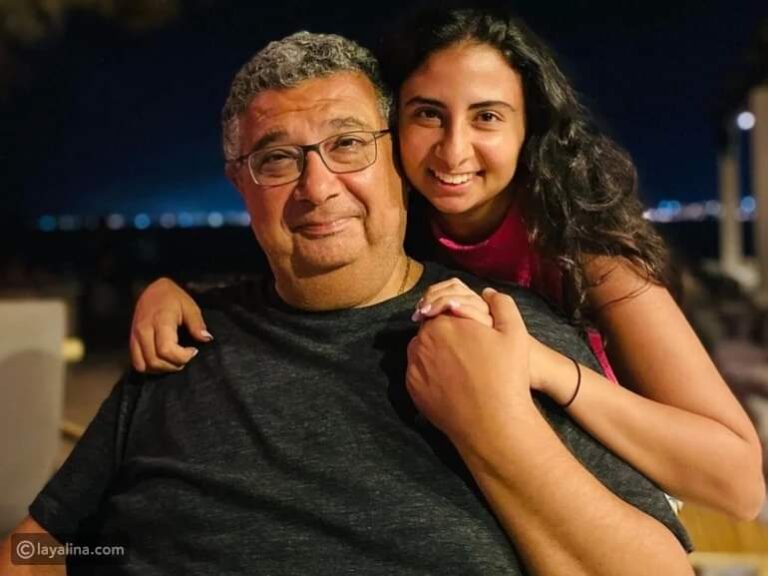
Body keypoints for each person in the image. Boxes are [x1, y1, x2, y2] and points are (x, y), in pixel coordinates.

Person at [1, 31, 693, 575]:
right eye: (278, 158)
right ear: (240, 183)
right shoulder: (179, 345)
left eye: (348, 145)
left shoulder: (503, 332)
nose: (317, 186)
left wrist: (499, 427)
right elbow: (37, 547)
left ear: (399, 163)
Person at [130, 6, 764, 520]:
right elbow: (298, 282)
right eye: (429, 114)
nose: (454, 150)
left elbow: (739, 484)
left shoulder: (584, 249)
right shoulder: (397, 230)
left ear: (528, 130)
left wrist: (540, 363)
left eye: (487, 117)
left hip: (607, 503)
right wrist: (177, 292)